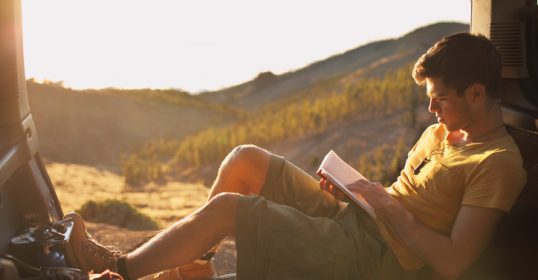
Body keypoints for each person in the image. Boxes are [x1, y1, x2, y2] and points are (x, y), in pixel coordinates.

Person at [64, 32, 526, 280]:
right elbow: (404, 196)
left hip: (376, 257)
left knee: (231, 209)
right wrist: (361, 194)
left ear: (477, 92)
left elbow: (452, 262)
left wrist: (385, 206)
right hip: (361, 218)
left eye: (440, 97)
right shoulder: (442, 132)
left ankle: (119, 270)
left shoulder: (497, 164)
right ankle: (192, 271)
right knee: (245, 159)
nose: (431, 108)